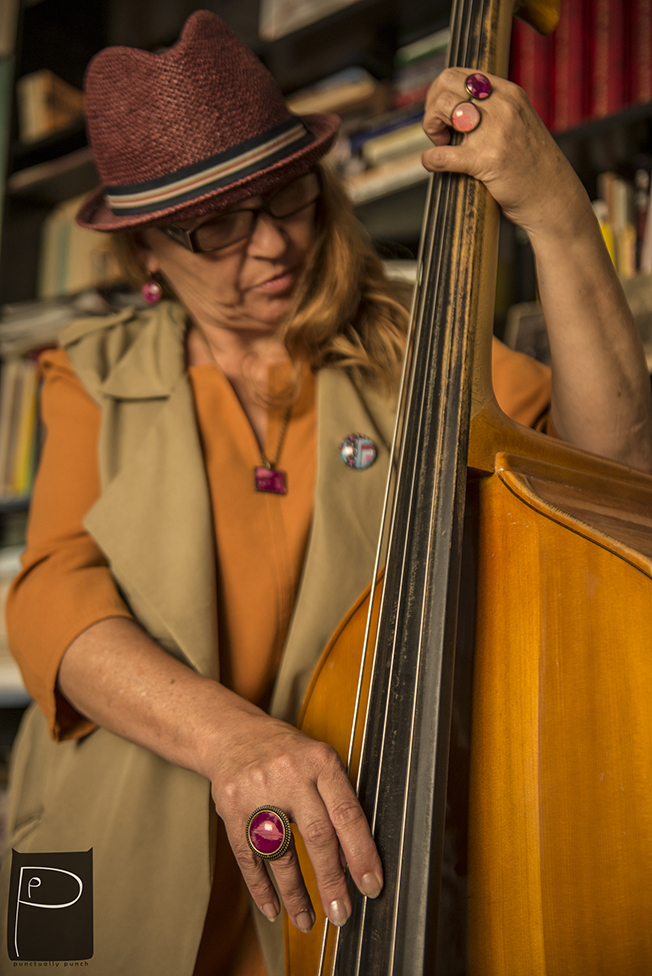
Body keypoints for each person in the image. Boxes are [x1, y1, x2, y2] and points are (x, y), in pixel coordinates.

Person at [2, 10, 651, 976]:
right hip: (117, 842)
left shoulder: (421, 345)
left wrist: (556, 213)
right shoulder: (86, 372)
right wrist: (235, 742)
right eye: (216, 225)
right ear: (146, 256)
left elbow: (617, 472)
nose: (269, 245)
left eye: (288, 197)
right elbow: (51, 598)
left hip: (341, 872)